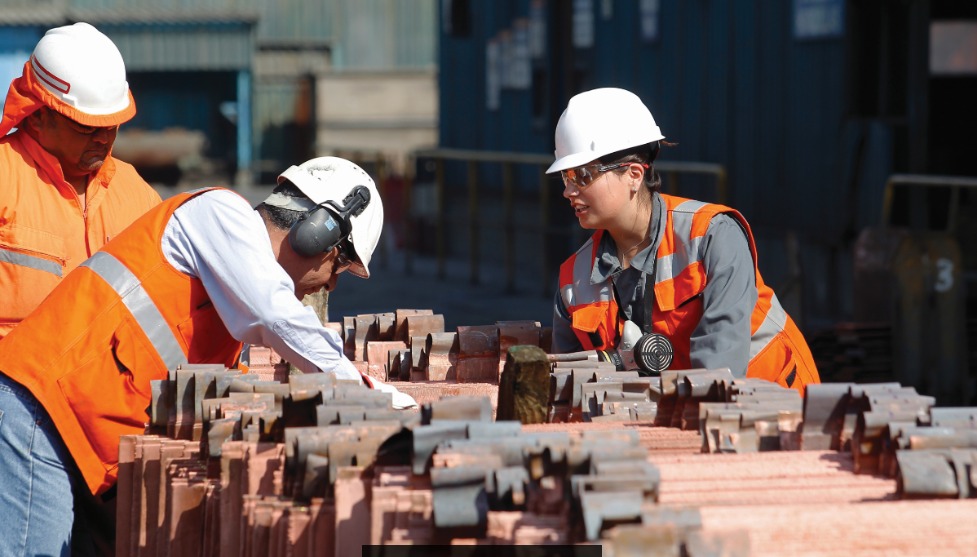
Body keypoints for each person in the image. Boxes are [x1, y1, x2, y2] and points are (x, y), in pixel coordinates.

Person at [0, 156, 417, 555]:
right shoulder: (221, 214)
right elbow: (274, 315)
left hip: (86, 442)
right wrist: (368, 394)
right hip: (42, 408)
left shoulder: (234, 282)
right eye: (340, 264)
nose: (331, 286)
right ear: (318, 232)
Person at [548, 87, 819, 392]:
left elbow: (719, 366)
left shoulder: (712, 236)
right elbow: (570, 387)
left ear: (634, 174)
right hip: (672, 419)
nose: (568, 191)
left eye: (582, 175)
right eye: (565, 177)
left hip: (778, 411)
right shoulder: (573, 281)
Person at [0, 22, 162, 340]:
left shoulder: (138, 197)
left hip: (112, 385)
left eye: (112, 125)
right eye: (87, 127)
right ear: (38, 115)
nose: (104, 138)